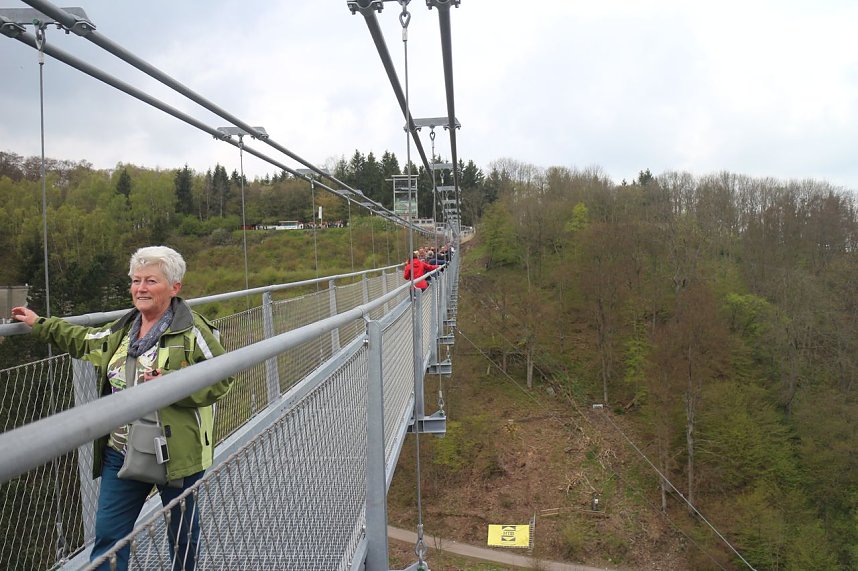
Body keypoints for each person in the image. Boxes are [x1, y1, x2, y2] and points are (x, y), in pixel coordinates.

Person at [11, 246, 233, 571]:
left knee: (182, 535)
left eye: (151, 281)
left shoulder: (192, 329)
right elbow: (84, 339)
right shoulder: (122, 330)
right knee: (109, 538)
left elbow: (222, 378)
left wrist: (172, 384)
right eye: (136, 281)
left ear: (174, 288)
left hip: (176, 451)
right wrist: (40, 324)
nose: (140, 289)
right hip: (122, 451)